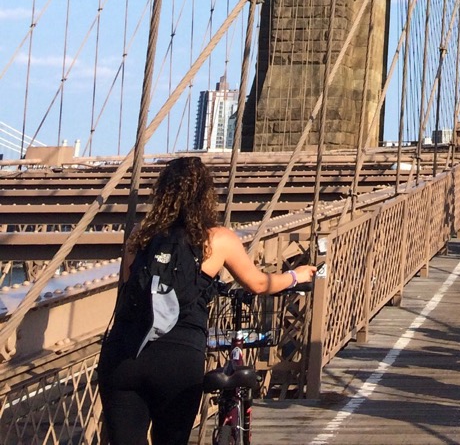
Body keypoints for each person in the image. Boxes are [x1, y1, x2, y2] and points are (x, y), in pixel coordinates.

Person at [98, 155, 314, 445]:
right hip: (178, 360)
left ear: (162, 193)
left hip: (125, 353)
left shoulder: (139, 236)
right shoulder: (217, 239)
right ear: (205, 196)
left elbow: (127, 288)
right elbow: (259, 283)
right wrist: (296, 277)